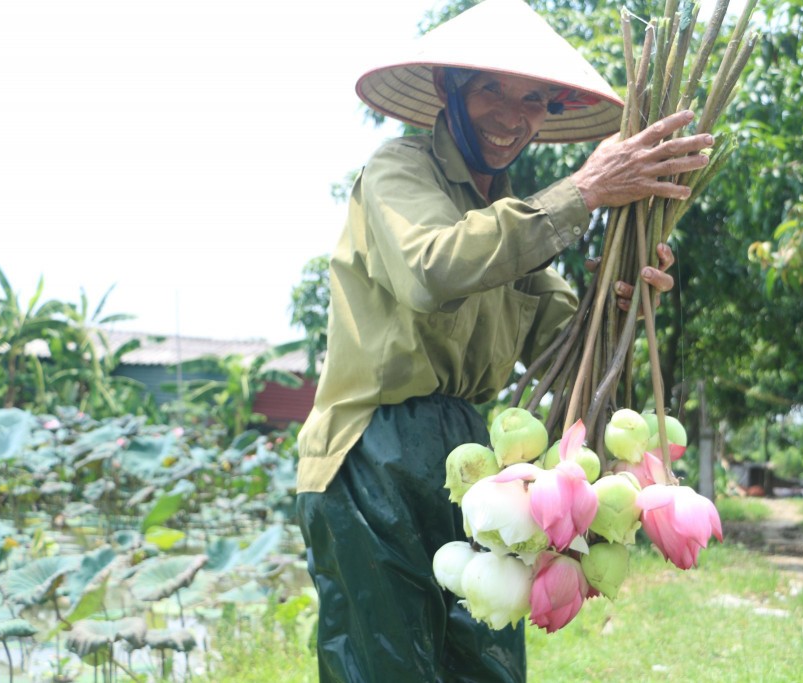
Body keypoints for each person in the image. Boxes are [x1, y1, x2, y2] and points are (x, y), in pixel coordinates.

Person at [295, 1, 714, 680]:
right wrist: (582, 193)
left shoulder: (518, 226)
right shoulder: (397, 173)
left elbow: (568, 339)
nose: (512, 116)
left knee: (486, 660)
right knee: (387, 666)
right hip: (372, 449)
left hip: (471, 457)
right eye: (491, 88)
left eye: (534, 100)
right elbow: (434, 269)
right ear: (446, 89)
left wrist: (624, 300)